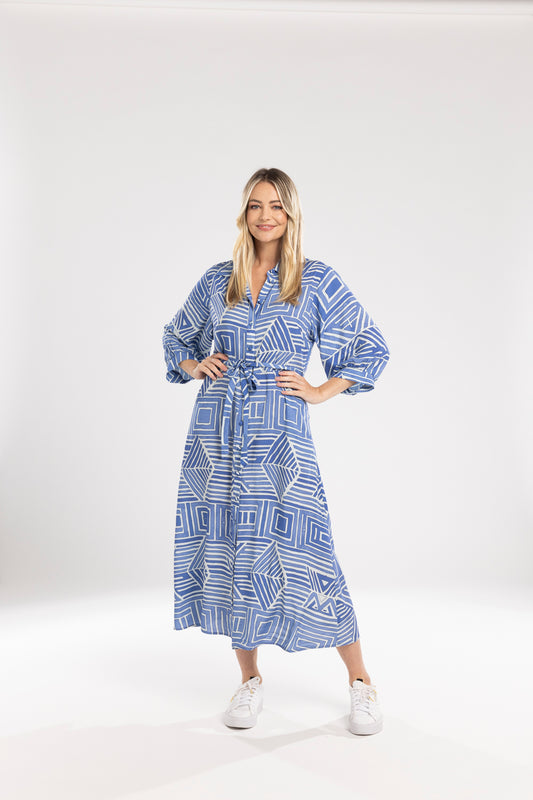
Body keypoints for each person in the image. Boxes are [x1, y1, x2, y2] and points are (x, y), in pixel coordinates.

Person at [162, 167, 390, 736]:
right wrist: (195, 365)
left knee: (309, 552)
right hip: (219, 433)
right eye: (257, 205)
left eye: (277, 206)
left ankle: (361, 683)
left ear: (291, 215)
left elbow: (369, 348)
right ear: (245, 213)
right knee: (238, 545)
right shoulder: (220, 280)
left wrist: (318, 390)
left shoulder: (315, 281)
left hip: (281, 433)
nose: (266, 215)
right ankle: (248, 680)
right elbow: (176, 338)